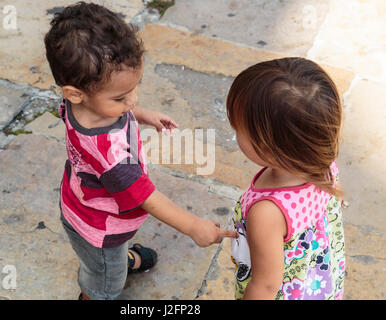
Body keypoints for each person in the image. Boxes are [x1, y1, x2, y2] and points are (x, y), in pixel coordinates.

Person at [44, 2, 236, 300]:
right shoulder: (110, 157)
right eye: (122, 97)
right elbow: (146, 196)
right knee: (104, 282)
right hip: (101, 227)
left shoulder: (82, 105)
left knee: (111, 261)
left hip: (85, 202)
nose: (132, 100)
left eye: (136, 88)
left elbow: (116, 113)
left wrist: (143, 115)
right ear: (75, 93)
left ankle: (122, 261)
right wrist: (193, 226)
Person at [226, 57, 345, 300]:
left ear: (270, 148)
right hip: (318, 281)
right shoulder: (323, 163)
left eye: (239, 128)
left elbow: (265, 285)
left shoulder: (267, 211)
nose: (235, 130)